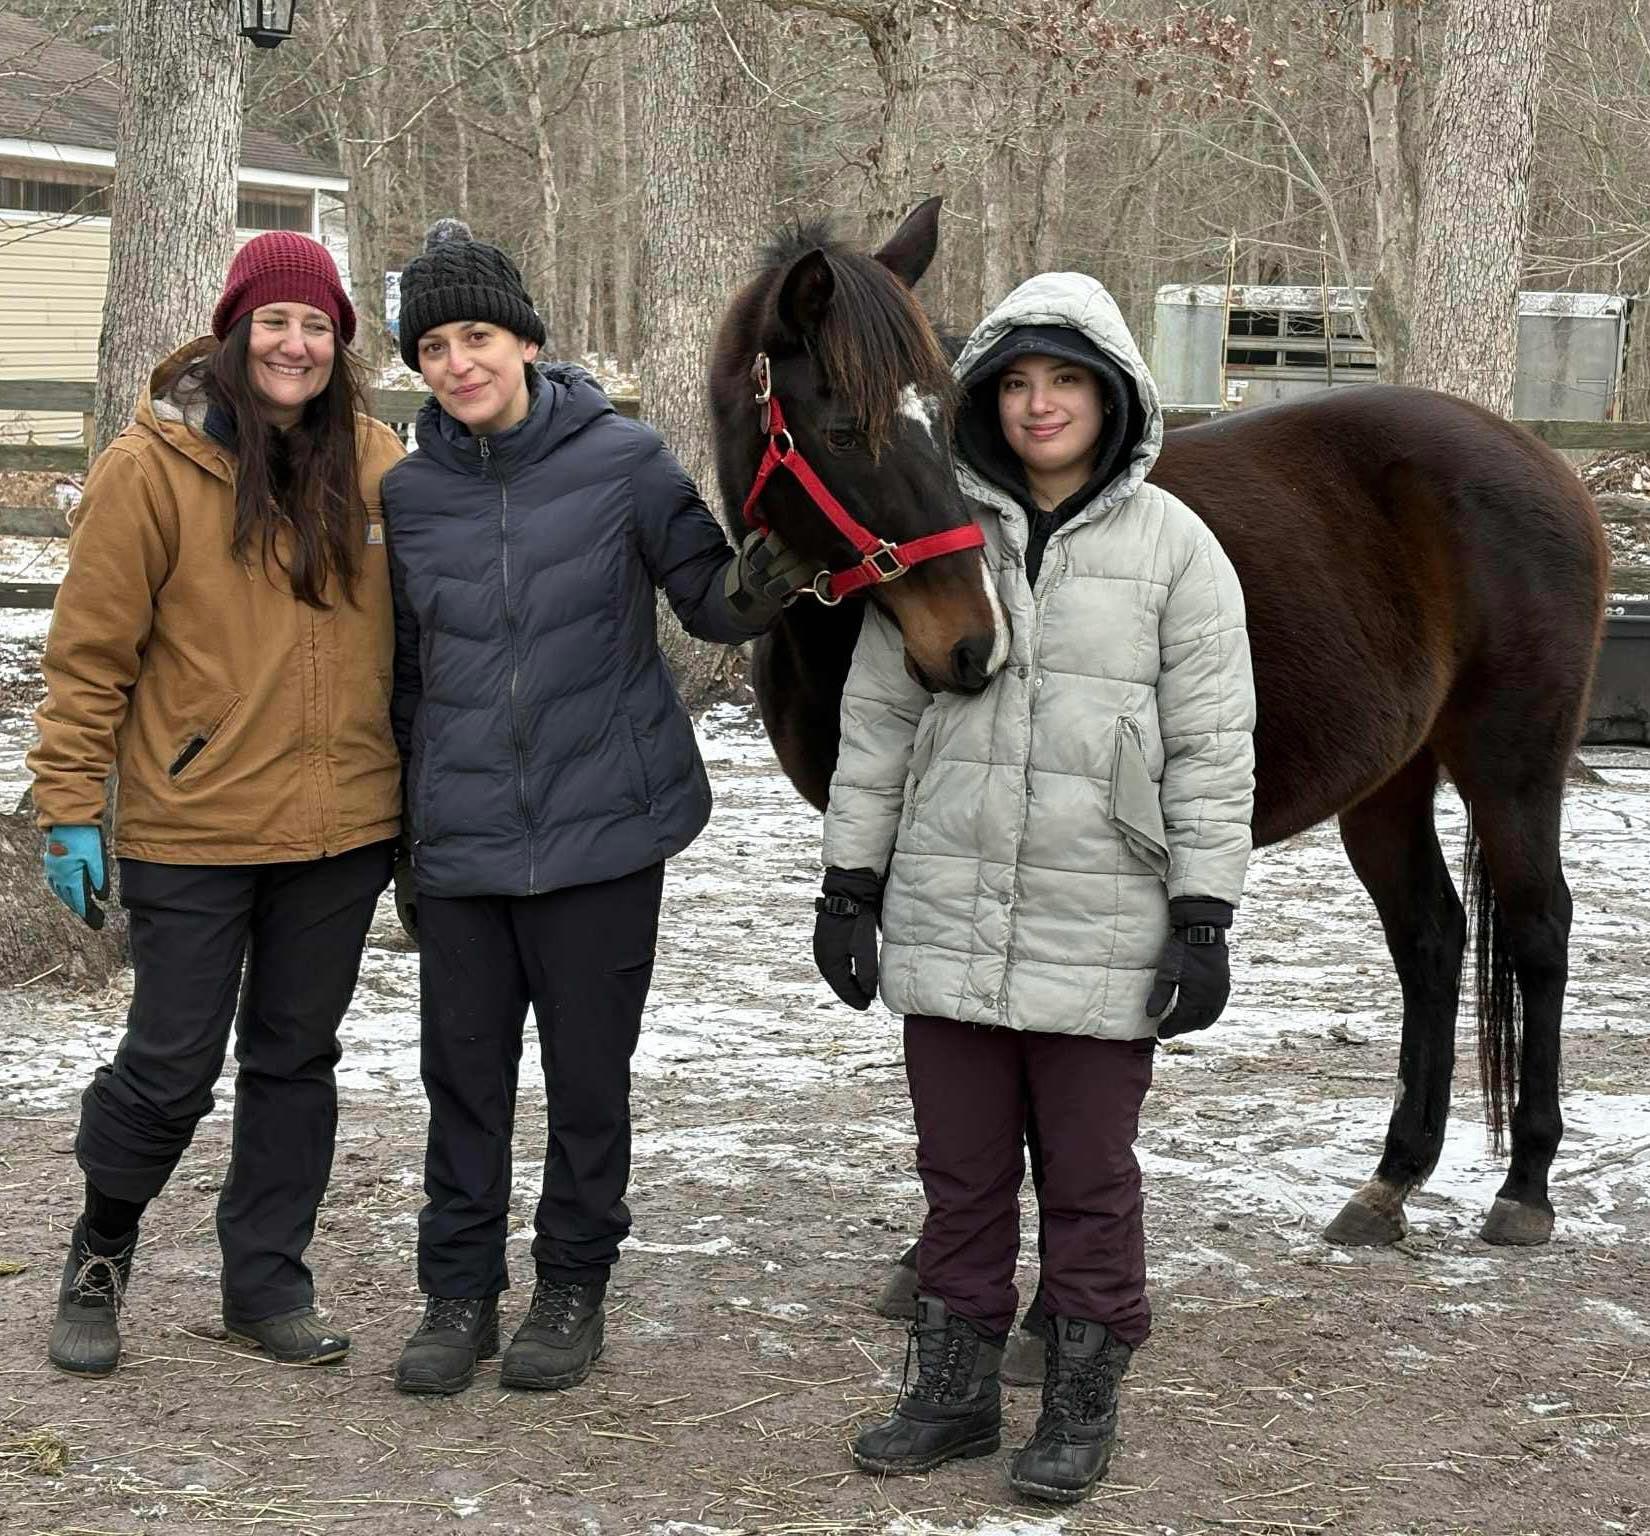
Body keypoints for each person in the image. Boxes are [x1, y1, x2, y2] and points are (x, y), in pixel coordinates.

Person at [814, 272, 1256, 1503]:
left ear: (1113, 396)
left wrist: (1203, 914)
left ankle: (1077, 1395)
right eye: (1015, 384)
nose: (1039, 405)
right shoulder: (938, 529)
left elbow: (1217, 746)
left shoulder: (1178, 551)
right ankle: (952, 1392)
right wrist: (850, 882)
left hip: (1101, 922)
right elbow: (878, 722)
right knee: (957, 1175)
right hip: (951, 915)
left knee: (1089, 1178)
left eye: (1065, 380)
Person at [383, 221, 816, 1396]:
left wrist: (778, 566)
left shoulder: (625, 459)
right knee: (461, 1086)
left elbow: (713, 605)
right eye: (432, 344)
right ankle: (457, 1295)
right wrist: (406, 850)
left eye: (477, 334)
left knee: (587, 1082)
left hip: (605, 830)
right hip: (464, 842)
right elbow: (405, 679)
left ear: (525, 338)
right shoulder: (409, 496)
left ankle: (572, 1285)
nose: (459, 361)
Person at [29, 232, 406, 1376]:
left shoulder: (383, 465)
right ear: (236, 333)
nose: (296, 345)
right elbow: (87, 655)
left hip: (342, 827)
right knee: (170, 1062)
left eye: (318, 327)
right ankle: (101, 1251)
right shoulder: (149, 469)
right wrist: (66, 806)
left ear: (340, 346)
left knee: (297, 1060)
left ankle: (266, 1280)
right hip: (194, 826)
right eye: (276, 323)